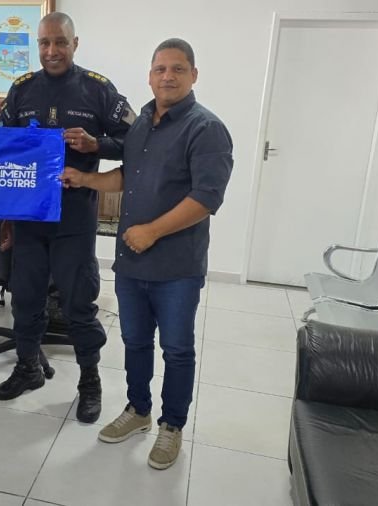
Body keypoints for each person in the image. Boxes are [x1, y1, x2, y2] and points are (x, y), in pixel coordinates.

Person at [61, 38, 233, 469]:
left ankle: (171, 425)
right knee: (135, 342)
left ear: (194, 75)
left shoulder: (206, 129)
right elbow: (127, 176)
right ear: (150, 75)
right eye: (160, 69)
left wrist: (152, 232)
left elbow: (207, 198)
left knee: (176, 349)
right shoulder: (141, 123)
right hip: (132, 263)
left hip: (177, 267)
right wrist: (85, 180)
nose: (167, 77)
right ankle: (138, 410)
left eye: (178, 69)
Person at [0, 12, 136, 424]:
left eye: (60, 42)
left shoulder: (98, 89)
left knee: (78, 302)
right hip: (29, 218)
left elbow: (136, 139)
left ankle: (90, 380)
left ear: (75, 44)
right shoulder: (21, 90)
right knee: (25, 297)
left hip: (74, 217)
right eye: (44, 43)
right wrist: (1, 213)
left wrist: (97, 144)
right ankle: (28, 367)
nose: (52, 50)